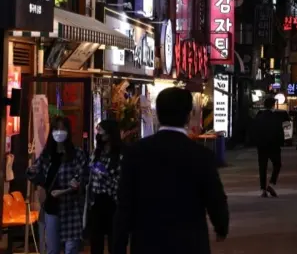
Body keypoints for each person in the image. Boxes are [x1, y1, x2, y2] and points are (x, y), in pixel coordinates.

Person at [113, 87, 229, 254]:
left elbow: (124, 203)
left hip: (148, 242)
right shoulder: (201, 155)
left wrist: (119, 243)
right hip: (190, 242)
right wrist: (221, 226)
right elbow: (215, 197)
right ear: (188, 115)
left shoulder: (136, 152)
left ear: (158, 114)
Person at [26, 116, 87, 254]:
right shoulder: (47, 154)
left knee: (71, 247)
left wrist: (73, 184)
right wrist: (32, 171)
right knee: (52, 248)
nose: (59, 132)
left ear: (68, 132)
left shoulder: (77, 153)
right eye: (56, 129)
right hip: (51, 208)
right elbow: (35, 173)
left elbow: (82, 175)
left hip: (71, 208)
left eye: (62, 129)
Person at [87, 119, 123, 254]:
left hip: (113, 202)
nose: (99, 134)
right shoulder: (97, 152)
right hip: (97, 202)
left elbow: (119, 181)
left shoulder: (120, 154)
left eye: (101, 130)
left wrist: (103, 173)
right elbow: (90, 172)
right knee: (96, 243)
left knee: (115, 243)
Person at [252, 96, 284, 198]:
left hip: (261, 145)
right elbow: (280, 132)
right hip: (274, 145)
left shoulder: (259, 116)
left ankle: (263, 190)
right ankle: (271, 184)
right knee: (277, 164)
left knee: (262, 167)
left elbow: (254, 130)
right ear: (273, 105)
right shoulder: (276, 117)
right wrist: (281, 143)